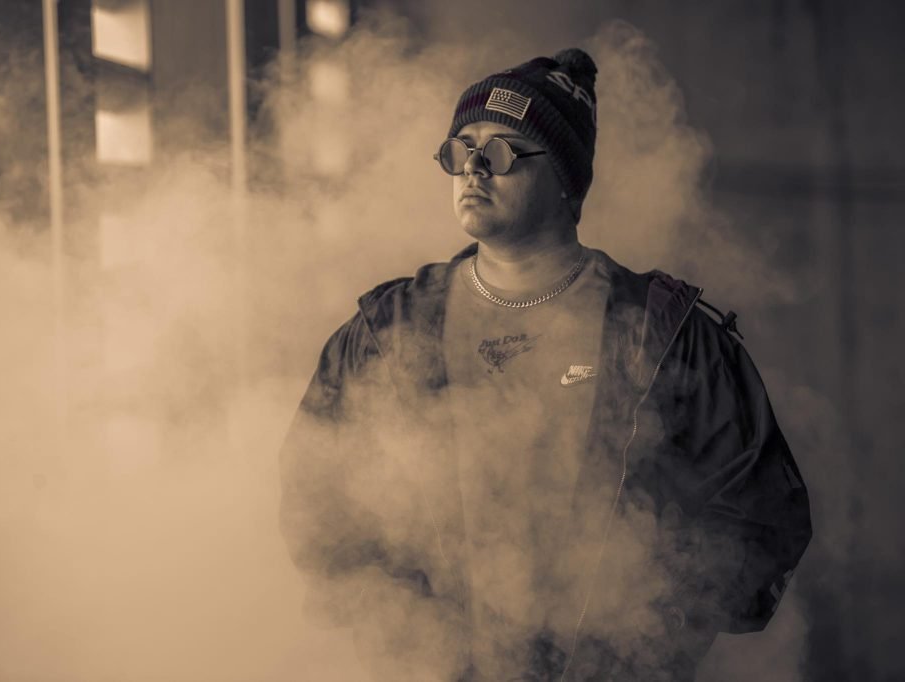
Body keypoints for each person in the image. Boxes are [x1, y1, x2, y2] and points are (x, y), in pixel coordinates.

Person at [279, 48, 812, 682]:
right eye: (459, 150)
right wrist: (404, 630)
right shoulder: (390, 328)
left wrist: (644, 634)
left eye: (501, 152)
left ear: (564, 177)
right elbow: (317, 494)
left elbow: (759, 518)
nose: (473, 167)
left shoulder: (664, 333)